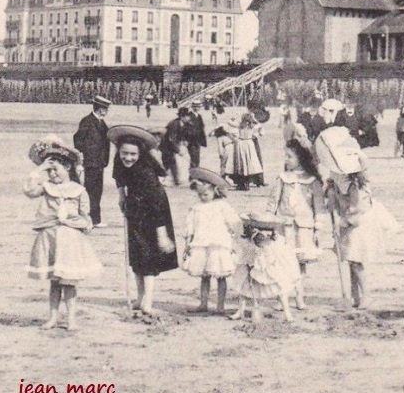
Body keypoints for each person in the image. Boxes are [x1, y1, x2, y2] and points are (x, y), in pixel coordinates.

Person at [25, 136, 102, 330]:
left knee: (69, 283)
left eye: (55, 169)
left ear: (67, 167)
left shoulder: (78, 190)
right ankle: (52, 318)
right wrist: (39, 170)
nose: (52, 174)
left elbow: (85, 214)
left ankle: (71, 319)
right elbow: (29, 191)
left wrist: (85, 225)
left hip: (70, 241)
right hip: (50, 238)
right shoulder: (46, 187)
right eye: (49, 170)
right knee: (54, 283)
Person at [317, 127, 398, 310]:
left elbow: (357, 208)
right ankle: (353, 296)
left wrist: (343, 221)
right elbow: (334, 198)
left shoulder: (357, 185)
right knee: (350, 261)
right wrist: (330, 192)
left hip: (360, 223)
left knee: (356, 261)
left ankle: (366, 295)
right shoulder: (337, 176)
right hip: (348, 221)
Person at [109, 125, 178, 317]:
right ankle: (139, 298)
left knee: (148, 257)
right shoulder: (119, 161)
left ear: (141, 153)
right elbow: (119, 177)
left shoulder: (146, 173)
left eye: (133, 154)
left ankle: (148, 300)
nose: (128, 158)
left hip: (153, 215)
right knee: (136, 256)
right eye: (124, 153)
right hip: (134, 210)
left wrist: (162, 234)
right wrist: (121, 196)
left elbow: (156, 205)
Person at [266, 139, 324, 309]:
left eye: (289, 156)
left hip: (303, 229)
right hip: (284, 228)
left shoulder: (313, 181)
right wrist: (268, 222)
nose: (286, 159)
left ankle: (299, 297)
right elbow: (272, 203)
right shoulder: (282, 179)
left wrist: (318, 228)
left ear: (300, 157)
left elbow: (319, 207)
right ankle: (281, 297)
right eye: (285, 156)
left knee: (300, 264)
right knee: (281, 263)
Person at [182, 168, 242, 314]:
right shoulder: (196, 208)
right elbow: (190, 226)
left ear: (215, 191)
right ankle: (203, 303)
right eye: (200, 194)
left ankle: (220, 306)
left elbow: (234, 222)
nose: (202, 197)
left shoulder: (222, 206)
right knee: (204, 276)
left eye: (206, 194)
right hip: (201, 245)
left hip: (218, 245)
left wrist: (236, 239)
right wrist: (188, 243)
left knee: (220, 276)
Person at [228, 214, 301, 322]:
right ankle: (240, 311)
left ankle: (287, 313)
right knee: (244, 289)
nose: (260, 239)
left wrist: (264, 254)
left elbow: (272, 258)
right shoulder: (249, 244)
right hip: (252, 268)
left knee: (279, 288)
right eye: (257, 237)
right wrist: (250, 262)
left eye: (263, 237)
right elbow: (245, 256)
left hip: (268, 270)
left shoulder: (273, 245)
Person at [72, 95, 111, 228]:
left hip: (99, 163)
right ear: (100, 109)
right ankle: (89, 218)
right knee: (90, 191)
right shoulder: (87, 121)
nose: (106, 111)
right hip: (90, 163)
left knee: (97, 191)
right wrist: (81, 158)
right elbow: (77, 139)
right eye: (105, 109)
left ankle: (95, 219)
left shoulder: (101, 122)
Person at [232, 112, 265, 190]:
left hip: (241, 143)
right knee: (249, 163)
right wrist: (253, 119)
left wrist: (235, 117)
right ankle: (247, 183)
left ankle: (243, 183)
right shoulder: (252, 125)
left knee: (242, 163)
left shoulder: (240, 125)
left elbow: (230, 123)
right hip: (249, 144)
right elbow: (260, 127)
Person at [160, 108, 193, 186]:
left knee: (179, 162)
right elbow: (171, 139)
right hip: (167, 147)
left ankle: (176, 180)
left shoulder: (184, 124)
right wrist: (178, 150)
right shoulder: (174, 124)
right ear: (182, 116)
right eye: (187, 116)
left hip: (173, 146)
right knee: (171, 163)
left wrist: (185, 141)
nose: (189, 118)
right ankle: (171, 180)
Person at [187, 101, 208, 169]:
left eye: (198, 106)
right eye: (195, 106)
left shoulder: (199, 116)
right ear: (192, 107)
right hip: (191, 140)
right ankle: (192, 172)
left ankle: (195, 171)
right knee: (193, 157)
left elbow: (202, 127)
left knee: (197, 157)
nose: (197, 108)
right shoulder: (189, 115)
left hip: (198, 140)